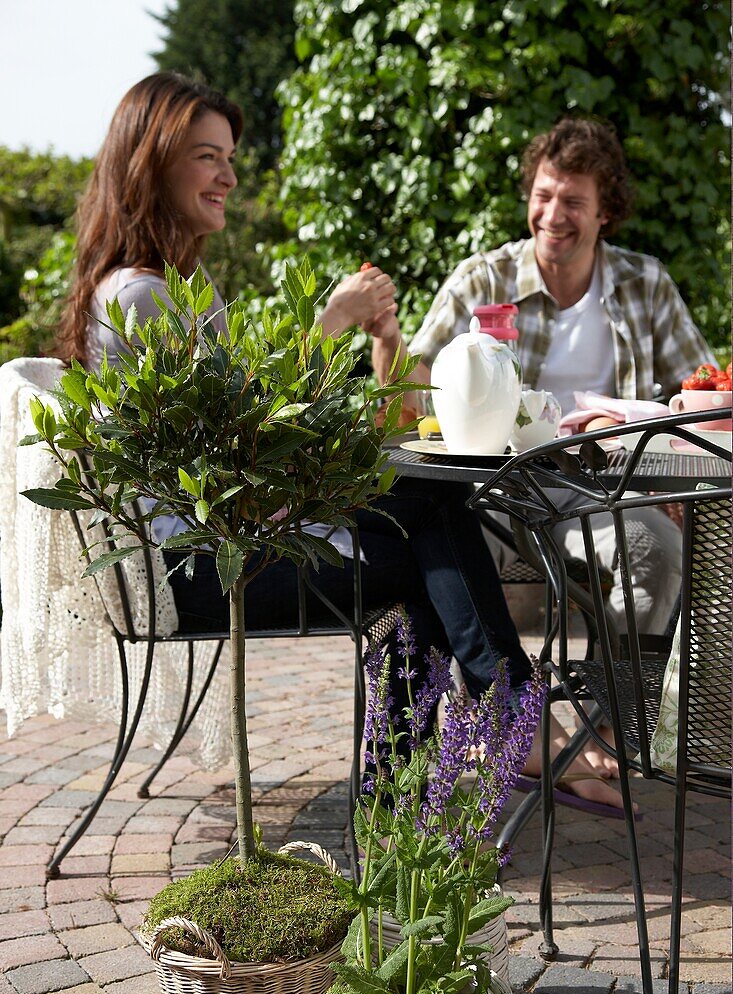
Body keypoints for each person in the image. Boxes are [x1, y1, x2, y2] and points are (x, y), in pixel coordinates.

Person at [58, 72, 581, 800]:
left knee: (428, 516)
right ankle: (495, 731)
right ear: (152, 159)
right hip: (202, 566)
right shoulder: (141, 296)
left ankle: (433, 766)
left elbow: (246, 425)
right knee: (428, 537)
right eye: (208, 156)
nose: (230, 176)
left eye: (228, 156)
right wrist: (329, 321)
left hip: (227, 537)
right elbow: (241, 433)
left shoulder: (172, 285)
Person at [368, 116, 716, 639]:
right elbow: (414, 394)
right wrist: (389, 338)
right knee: (431, 568)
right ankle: (500, 718)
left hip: (600, 491)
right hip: (485, 493)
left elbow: (704, 396)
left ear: (605, 213)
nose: (553, 216)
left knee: (659, 555)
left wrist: (660, 450)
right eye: (543, 195)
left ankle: (606, 716)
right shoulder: (485, 277)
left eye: (573, 202)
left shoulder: (646, 285)